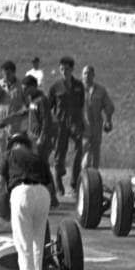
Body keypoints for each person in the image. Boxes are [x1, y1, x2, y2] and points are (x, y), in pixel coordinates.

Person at [0, 133, 53, 270]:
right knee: (38, 241)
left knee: (23, 242)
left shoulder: (9, 155)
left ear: (12, 144)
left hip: (21, 192)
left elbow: (0, 182)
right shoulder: (38, 158)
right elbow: (51, 186)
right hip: (43, 193)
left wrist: (1, 208)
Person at [47, 56, 86, 198]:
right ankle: (58, 185)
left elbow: (82, 105)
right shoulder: (55, 87)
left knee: (78, 151)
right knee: (59, 154)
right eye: (62, 69)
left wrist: (83, 121)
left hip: (75, 122)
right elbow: (48, 107)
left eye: (67, 69)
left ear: (72, 70)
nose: (64, 72)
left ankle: (74, 183)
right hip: (60, 123)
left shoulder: (79, 86)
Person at [81, 65, 115, 170]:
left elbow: (109, 106)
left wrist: (108, 120)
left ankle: (94, 178)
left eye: (89, 73)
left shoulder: (100, 90)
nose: (87, 76)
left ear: (93, 75)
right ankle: (82, 178)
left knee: (95, 154)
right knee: (84, 153)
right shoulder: (77, 90)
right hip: (82, 128)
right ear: (82, 75)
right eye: (85, 73)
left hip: (96, 127)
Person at [0, 60, 24, 139]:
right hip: (1, 117)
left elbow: (26, 103)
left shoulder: (21, 85)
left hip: (14, 119)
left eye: (8, 74)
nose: (5, 76)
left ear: (14, 73)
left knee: (13, 141)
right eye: (3, 73)